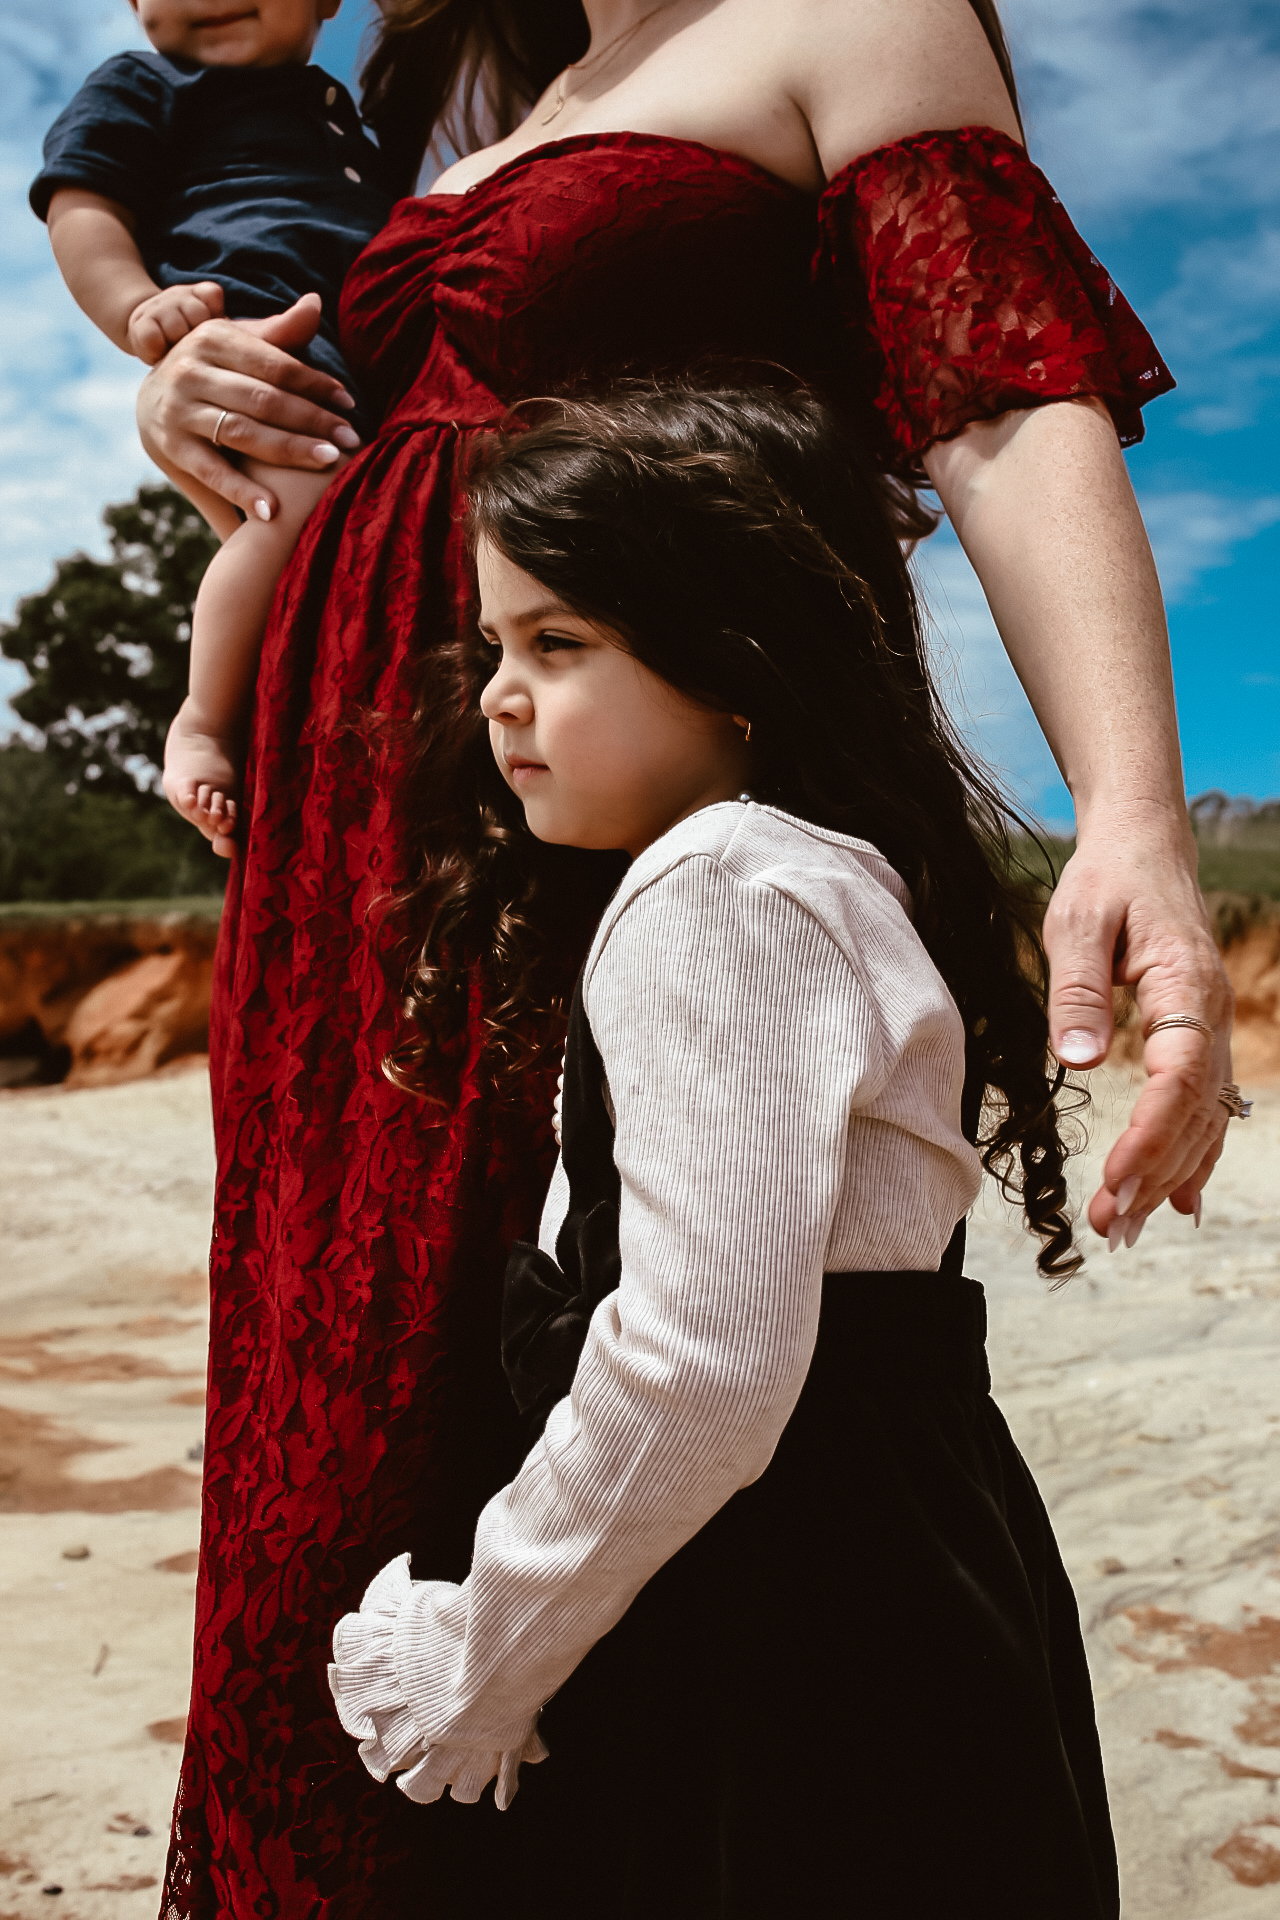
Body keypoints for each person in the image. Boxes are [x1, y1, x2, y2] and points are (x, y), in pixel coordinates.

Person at [125, 2, 1236, 1910]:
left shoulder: (858, 18)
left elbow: (994, 405)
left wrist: (1129, 809)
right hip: (360, 865)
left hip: (613, 836)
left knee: (580, 1373)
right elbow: (359, 428)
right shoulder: (479, 100)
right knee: (335, 1420)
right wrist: (194, 402)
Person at [329, 383, 1123, 1918]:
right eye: (494, 646)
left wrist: (484, 1657)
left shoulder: (719, 891)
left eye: (559, 644)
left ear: (734, 664)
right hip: (884, 1560)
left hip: (780, 1608)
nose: (499, 695)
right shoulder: (805, 878)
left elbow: (701, 1360)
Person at [30, 0, 393, 849]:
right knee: (294, 504)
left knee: (342, 539)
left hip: (362, 358)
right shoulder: (145, 82)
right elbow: (83, 208)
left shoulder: (344, 113)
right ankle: (201, 719)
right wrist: (139, 308)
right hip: (250, 338)